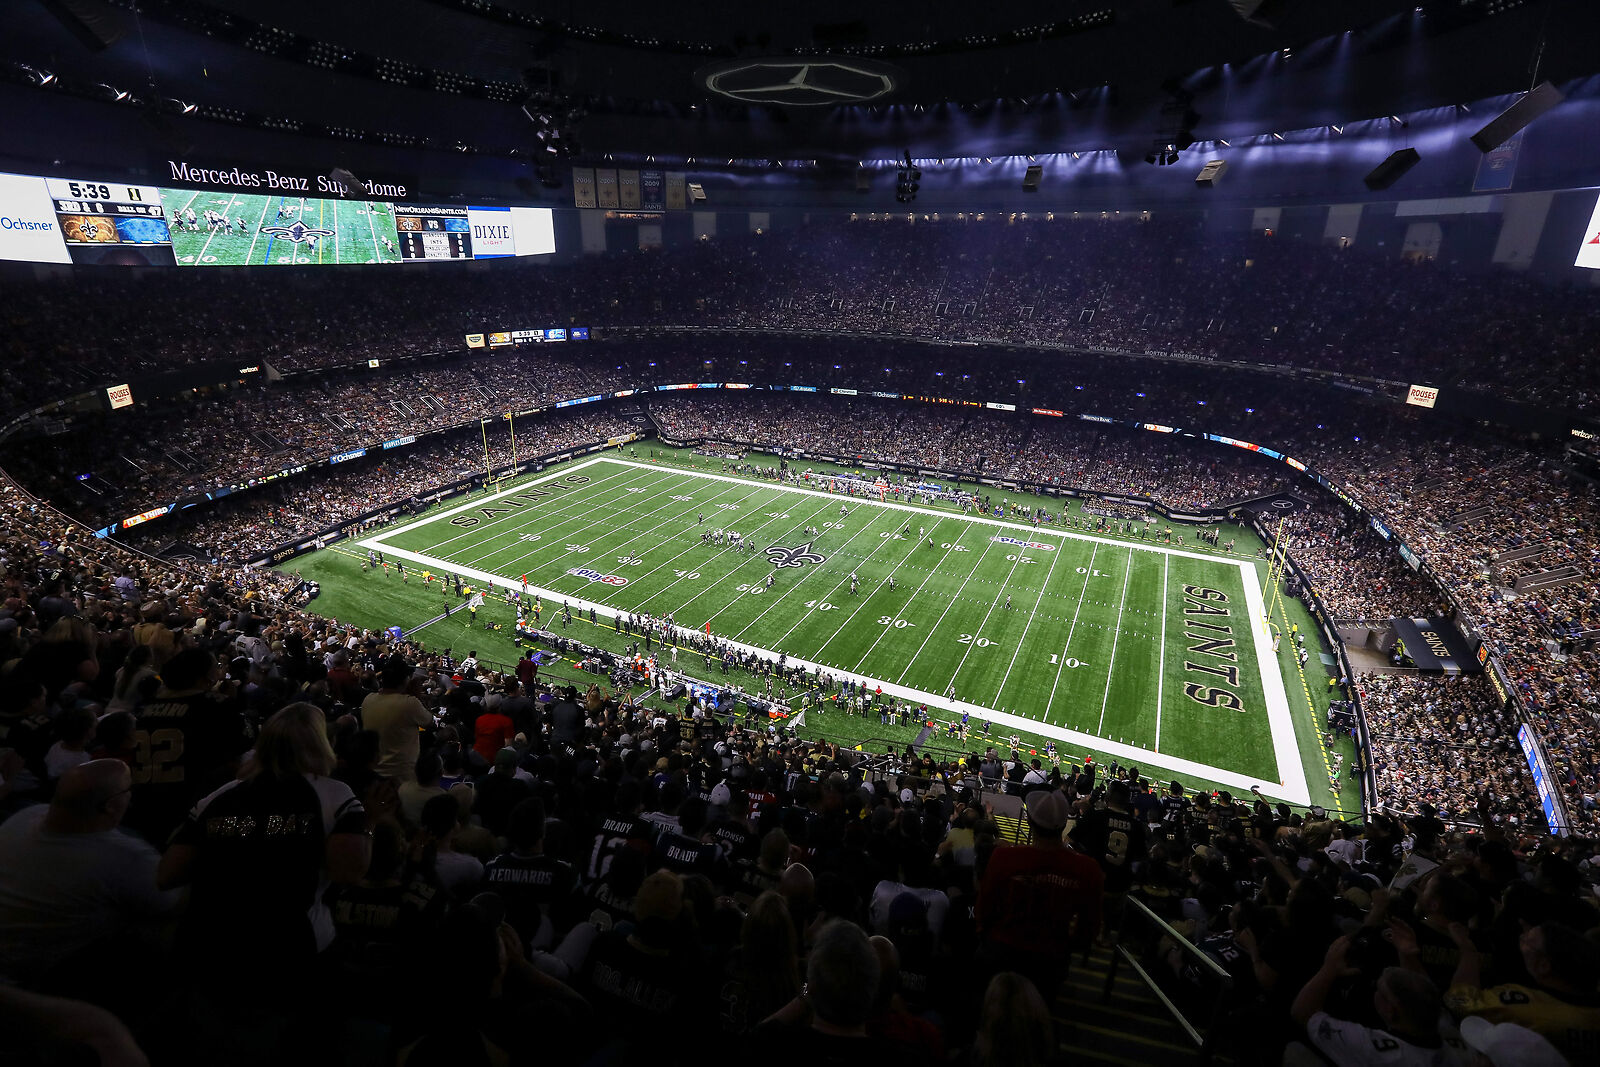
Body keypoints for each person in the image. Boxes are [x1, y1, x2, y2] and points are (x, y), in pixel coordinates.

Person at [156, 703, 370, 1044]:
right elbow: (350, 871)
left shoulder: (219, 796)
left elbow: (167, 874)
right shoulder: (334, 795)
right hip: (289, 949)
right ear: (321, 744)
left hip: (209, 943)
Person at [0, 760, 182, 988]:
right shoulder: (125, 857)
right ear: (111, 805)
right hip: (44, 977)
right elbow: (173, 900)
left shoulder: (27, 815)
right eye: (128, 789)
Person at [976, 789, 1103, 997]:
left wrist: (988, 938)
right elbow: (1089, 928)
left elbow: (984, 907)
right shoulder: (1088, 869)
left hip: (1003, 950)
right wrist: (1066, 948)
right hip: (1051, 958)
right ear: (1064, 825)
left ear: (1030, 823)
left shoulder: (1004, 857)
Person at [360, 657, 431, 782]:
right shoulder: (410, 703)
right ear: (404, 680)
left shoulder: (368, 699)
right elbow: (430, 723)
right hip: (401, 776)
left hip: (374, 773)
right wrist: (417, 695)